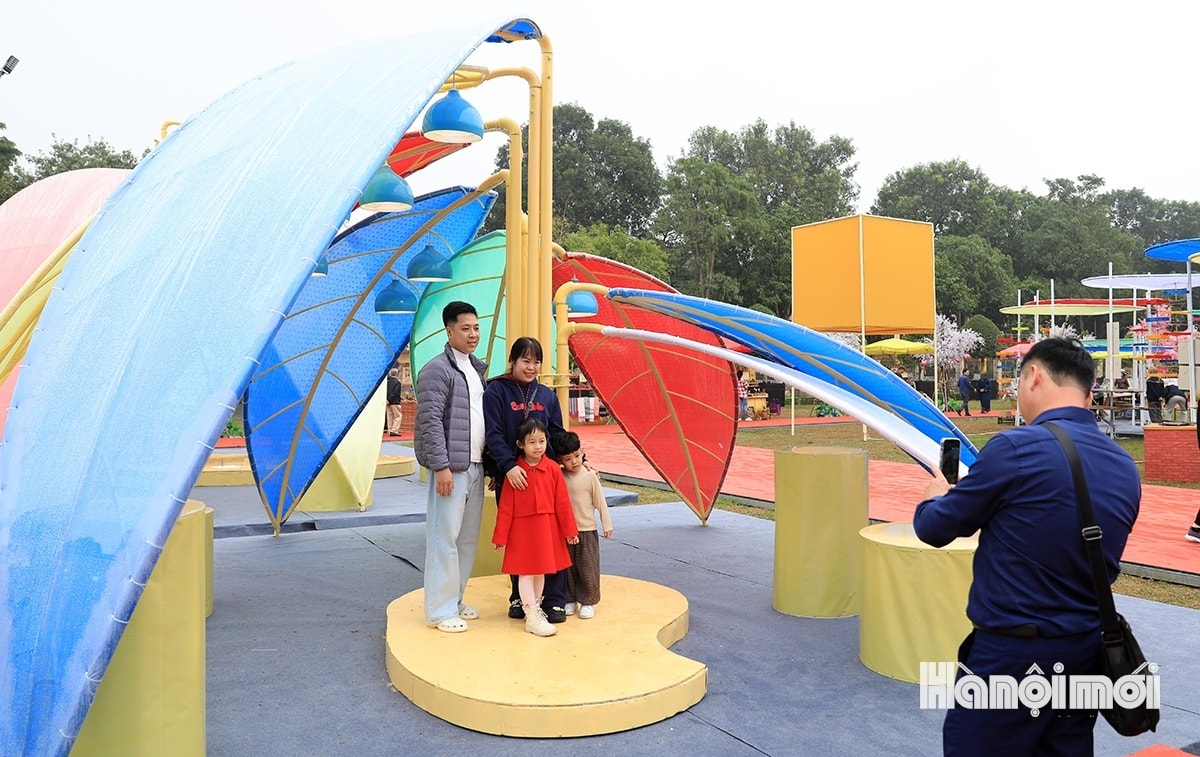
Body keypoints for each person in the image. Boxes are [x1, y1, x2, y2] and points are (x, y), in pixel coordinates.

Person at [913, 338, 1141, 755]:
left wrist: (935, 494)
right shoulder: (1124, 465)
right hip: (1085, 653)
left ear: (1033, 375)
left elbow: (935, 529)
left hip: (1011, 655)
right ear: (1089, 391)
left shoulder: (1015, 449)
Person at [483, 336, 570, 623]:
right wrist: (508, 467)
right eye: (525, 360)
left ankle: (555, 600)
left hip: (546, 479)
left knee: (553, 538)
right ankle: (520, 598)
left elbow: (557, 434)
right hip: (513, 478)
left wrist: (574, 460)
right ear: (513, 361)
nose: (531, 367)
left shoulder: (546, 395)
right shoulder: (496, 391)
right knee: (520, 541)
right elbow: (493, 433)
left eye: (536, 361)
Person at [413, 301, 487, 634]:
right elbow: (429, 422)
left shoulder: (476, 369)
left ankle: (454, 599)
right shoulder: (436, 370)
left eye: (476, 327)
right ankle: (439, 611)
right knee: (444, 539)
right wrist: (440, 467)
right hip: (451, 470)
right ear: (449, 330)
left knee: (467, 540)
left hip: (476, 466)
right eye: (465, 328)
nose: (473, 334)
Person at [491, 418, 579, 637]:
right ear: (521, 444)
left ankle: (535, 609)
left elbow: (562, 504)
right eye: (532, 442)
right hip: (522, 531)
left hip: (547, 529)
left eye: (542, 441)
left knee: (541, 570)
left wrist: (570, 531)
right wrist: (500, 537)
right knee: (526, 573)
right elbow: (506, 508)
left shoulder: (552, 469)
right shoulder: (515, 472)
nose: (538, 446)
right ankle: (531, 613)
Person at [552, 430, 612, 620]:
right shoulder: (559, 476)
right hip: (566, 531)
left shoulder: (590, 476)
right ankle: (570, 599)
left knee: (588, 566)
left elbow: (600, 501)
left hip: (587, 530)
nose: (575, 462)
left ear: (582, 452)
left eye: (577, 456)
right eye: (568, 459)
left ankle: (588, 601)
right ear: (560, 460)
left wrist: (606, 524)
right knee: (568, 567)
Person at [385, 368, 404, 437]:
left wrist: (387, 400)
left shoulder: (388, 382)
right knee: (398, 416)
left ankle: (390, 430)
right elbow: (395, 392)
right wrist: (390, 399)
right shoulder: (397, 382)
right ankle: (394, 430)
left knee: (389, 416)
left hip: (387, 401)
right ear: (397, 374)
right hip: (395, 401)